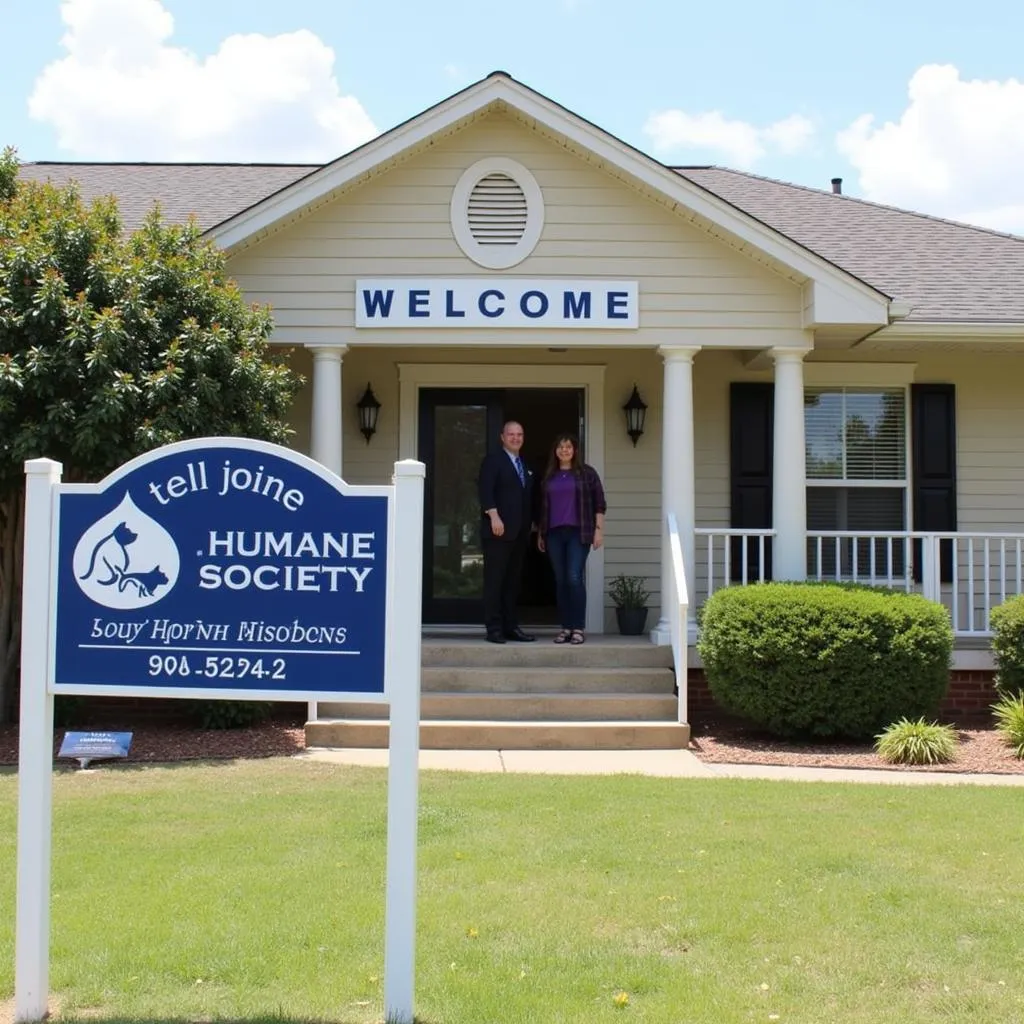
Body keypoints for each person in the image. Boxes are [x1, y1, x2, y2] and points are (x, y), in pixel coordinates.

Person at [537, 433, 606, 645]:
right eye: (560, 447)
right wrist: (541, 533)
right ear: (555, 451)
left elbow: (599, 503)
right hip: (554, 533)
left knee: (574, 577)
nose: (564, 450)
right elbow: (542, 508)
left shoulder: (586, 473)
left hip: (579, 532)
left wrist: (598, 529)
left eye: (568, 447)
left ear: (574, 450)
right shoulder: (550, 475)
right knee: (561, 580)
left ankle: (578, 627)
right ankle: (565, 627)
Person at [478, 420, 536, 644]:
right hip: (498, 531)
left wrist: (533, 524)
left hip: (520, 533)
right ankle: (493, 628)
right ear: (502, 437)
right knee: (495, 581)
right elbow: (485, 491)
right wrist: (494, 516)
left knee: (512, 583)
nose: (515, 438)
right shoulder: (493, 461)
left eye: (519, 434)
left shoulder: (523, 464)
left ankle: (511, 626)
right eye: (511, 434)